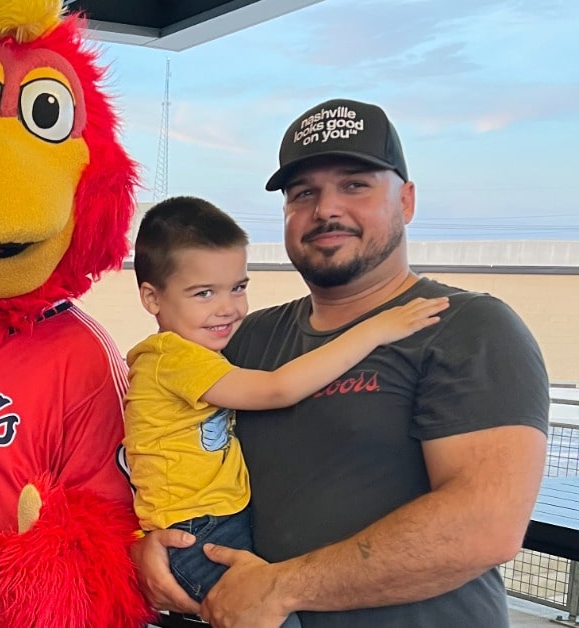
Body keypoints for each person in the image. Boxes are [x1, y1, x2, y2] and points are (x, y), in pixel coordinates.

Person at [132, 98, 550, 627]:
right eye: (303, 193)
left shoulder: (467, 326)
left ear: (407, 199)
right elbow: (159, 439)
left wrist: (282, 588)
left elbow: (483, 524)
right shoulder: (246, 338)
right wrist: (144, 545)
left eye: (355, 184)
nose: (326, 209)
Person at [124, 196, 448, 626]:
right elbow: (279, 389)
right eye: (204, 293)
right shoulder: (174, 359)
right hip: (197, 532)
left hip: (215, 523)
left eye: (238, 287)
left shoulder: (192, 354)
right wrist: (376, 329)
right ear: (151, 297)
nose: (228, 308)